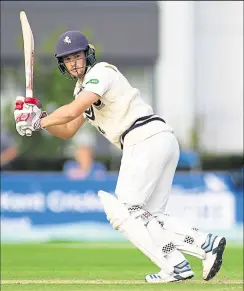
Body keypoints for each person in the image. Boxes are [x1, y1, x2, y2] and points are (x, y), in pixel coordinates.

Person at [14, 31, 226, 283]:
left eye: (77, 56)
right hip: (155, 140)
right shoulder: (80, 89)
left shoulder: (100, 72)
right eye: (68, 59)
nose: (74, 63)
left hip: (144, 137)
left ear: (87, 55)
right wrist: (38, 119)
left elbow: (74, 111)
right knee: (151, 216)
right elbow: (68, 129)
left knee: (124, 210)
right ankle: (189, 256)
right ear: (63, 64)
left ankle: (192, 252)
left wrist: (38, 121)